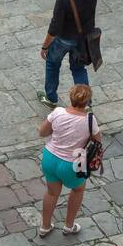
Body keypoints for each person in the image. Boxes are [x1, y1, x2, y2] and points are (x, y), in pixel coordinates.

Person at [38, 84, 101, 237]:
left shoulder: (58, 112)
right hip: (72, 163)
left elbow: (42, 132)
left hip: (50, 157)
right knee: (77, 190)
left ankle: (45, 226)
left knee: (51, 193)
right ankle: (69, 225)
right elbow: (98, 142)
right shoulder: (90, 121)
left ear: (71, 97)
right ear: (87, 101)